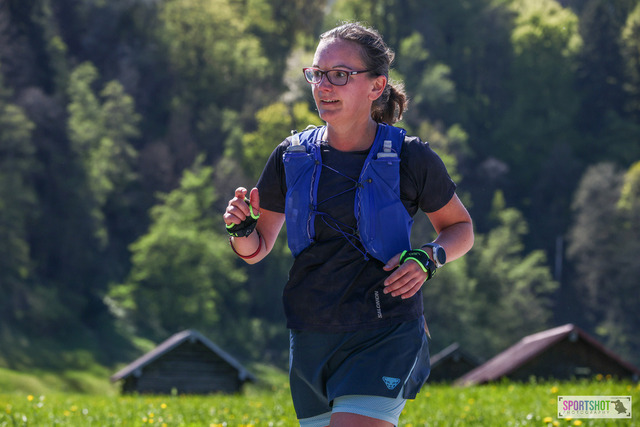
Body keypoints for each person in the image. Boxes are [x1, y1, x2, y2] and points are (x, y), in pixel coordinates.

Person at [223, 22, 474, 427]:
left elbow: (460, 228)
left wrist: (428, 258)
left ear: (377, 86)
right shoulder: (289, 156)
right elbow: (256, 249)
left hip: (385, 332)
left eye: (339, 75)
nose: (323, 86)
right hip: (311, 335)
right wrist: (240, 229)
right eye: (317, 74)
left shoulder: (410, 157)